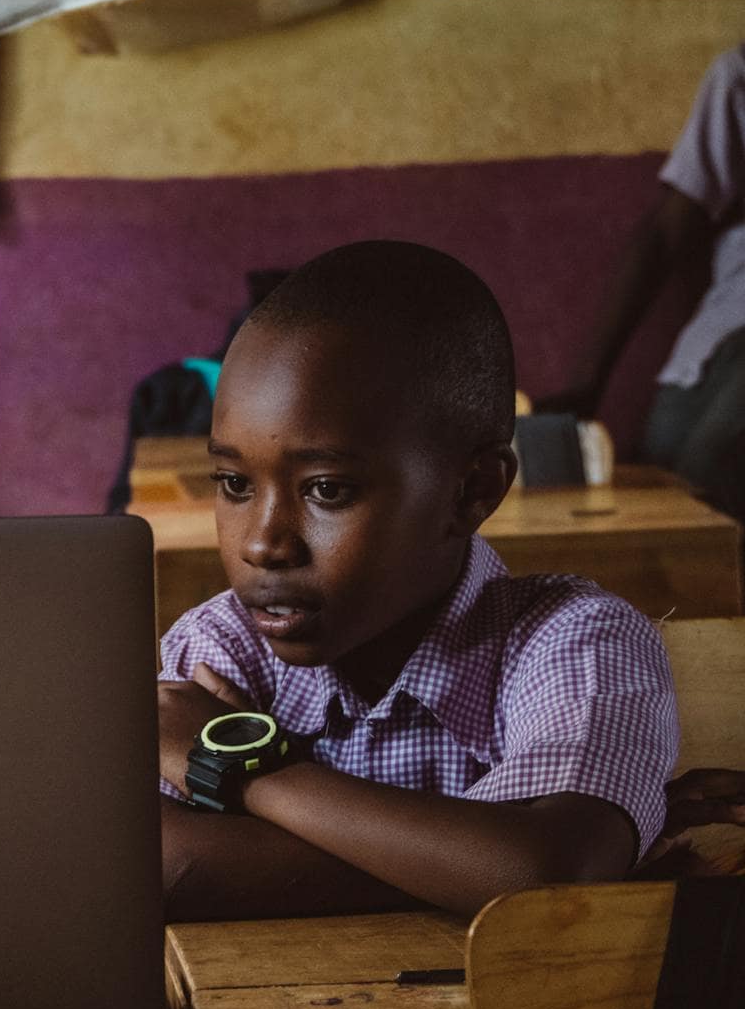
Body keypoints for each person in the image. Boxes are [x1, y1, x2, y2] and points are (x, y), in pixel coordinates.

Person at [157, 241, 679, 921]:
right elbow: (163, 867)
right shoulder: (218, 648)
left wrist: (253, 771)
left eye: (327, 489)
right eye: (233, 483)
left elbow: (550, 869)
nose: (263, 543)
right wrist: (458, 865)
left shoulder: (576, 641)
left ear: (472, 491)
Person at [542, 44, 745, 518]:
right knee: (660, 473)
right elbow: (663, 233)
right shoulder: (738, 75)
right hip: (718, 341)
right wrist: (588, 383)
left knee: (710, 475)